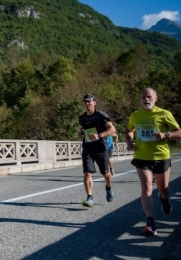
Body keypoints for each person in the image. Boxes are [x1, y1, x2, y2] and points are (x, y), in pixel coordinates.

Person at [126, 87, 181, 236]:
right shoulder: (135, 115)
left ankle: (163, 198)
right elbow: (129, 130)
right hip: (142, 156)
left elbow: (179, 132)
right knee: (146, 187)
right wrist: (129, 142)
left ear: (156, 99)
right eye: (143, 97)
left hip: (161, 156)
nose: (146, 99)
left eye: (149, 97)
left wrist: (166, 135)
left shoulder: (164, 113)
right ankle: (150, 221)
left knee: (164, 189)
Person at [77, 94, 117, 207]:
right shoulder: (82, 118)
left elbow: (112, 129)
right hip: (88, 148)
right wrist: (80, 133)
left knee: (105, 173)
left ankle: (108, 188)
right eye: (85, 102)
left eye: (89, 102)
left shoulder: (101, 115)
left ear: (94, 103)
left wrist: (99, 135)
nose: (87, 104)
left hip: (101, 148)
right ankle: (89, 197)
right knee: (87, 174)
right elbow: (83, 128)